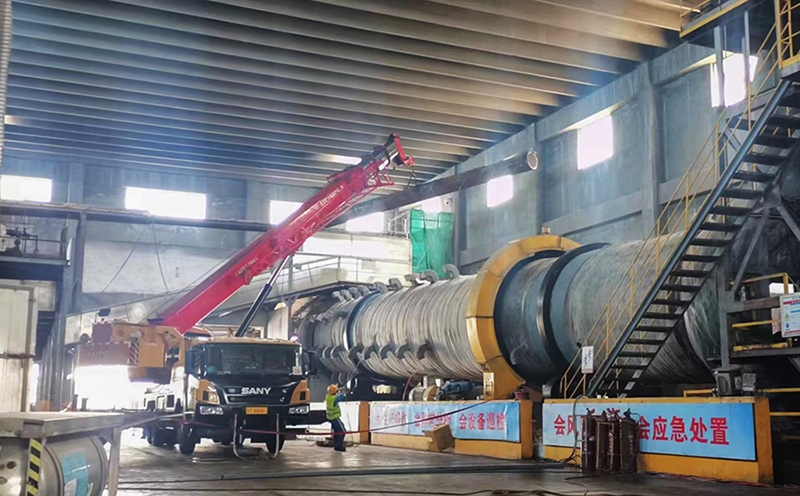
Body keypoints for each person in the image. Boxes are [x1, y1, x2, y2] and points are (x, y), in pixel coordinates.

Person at [325, 384, 347, 452]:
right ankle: (339, 446)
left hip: (330, 417)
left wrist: (340, 390)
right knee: (342, 431)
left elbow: (336, 395)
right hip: (334, 417)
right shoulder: (334, 399)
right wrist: (344, 392)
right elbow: (340, 397)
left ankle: (337, 445)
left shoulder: (328, 396)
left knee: (337, 432)